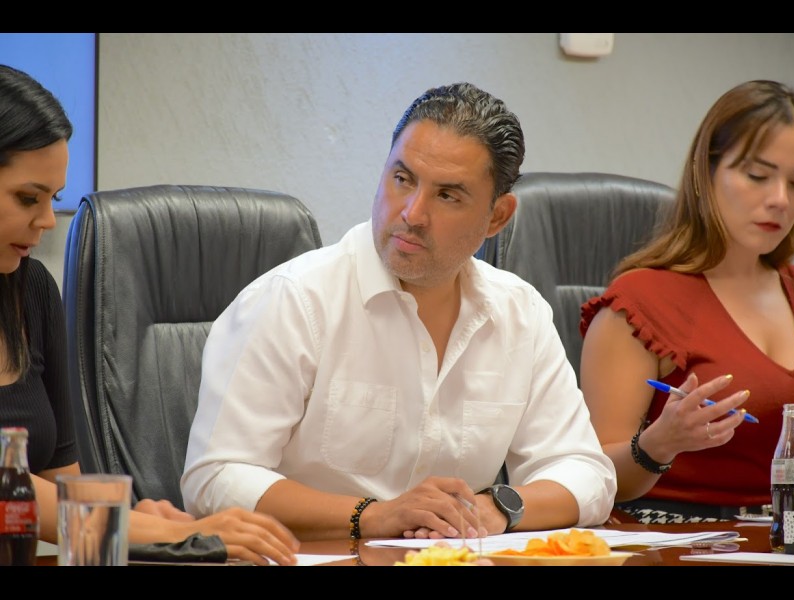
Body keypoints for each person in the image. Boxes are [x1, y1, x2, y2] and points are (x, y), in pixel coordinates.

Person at [181, 81, 617, 541]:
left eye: (447, 196)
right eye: (403, 179)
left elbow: (586, 472)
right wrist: (372, 515)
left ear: (496, 217)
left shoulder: (520, 313)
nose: (412, 213)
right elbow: (216, 478)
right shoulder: (293, 299)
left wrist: (496, 508)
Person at [0, 64, 299, 565]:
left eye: (53, 199)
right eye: (27, 198)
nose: (48, 220)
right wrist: (175, 533)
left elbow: (62, 485)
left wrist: (144, 519)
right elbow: (11, 492)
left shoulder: (31, 289)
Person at [579, 79, 794, 523]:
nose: (779, 199)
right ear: (705, 175)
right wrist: (659, 443)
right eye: (757, 176)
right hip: (677, 537)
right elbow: (590, 475)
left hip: (782, 532)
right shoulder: (639, 302)